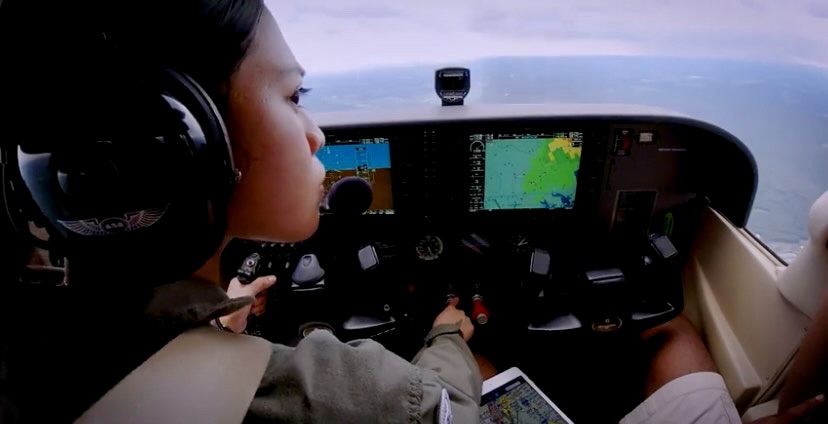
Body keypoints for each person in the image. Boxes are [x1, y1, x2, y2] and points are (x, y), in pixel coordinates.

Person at [0, 0, 481, 422]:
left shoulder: (29, 355)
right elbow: (451, 408)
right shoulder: (339, 400)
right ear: (187, 143)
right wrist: (446, 336)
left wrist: (213, 328)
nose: (316, 134)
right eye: (294, 98)